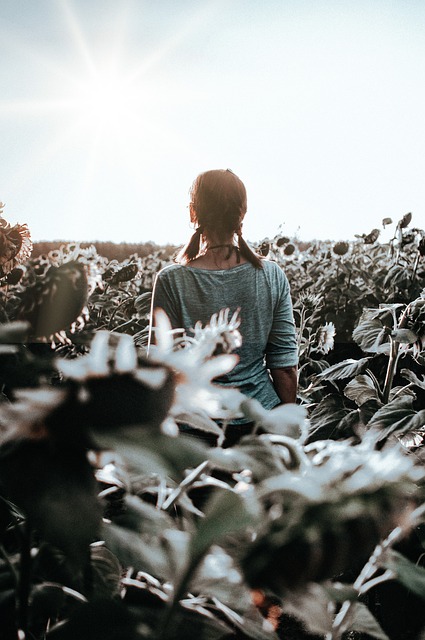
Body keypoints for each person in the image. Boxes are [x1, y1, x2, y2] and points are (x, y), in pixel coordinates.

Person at [148, 169, 298, 445]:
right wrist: (290, 433)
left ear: (193, 213)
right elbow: (284, 368)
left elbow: (162, 367)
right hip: (261, 422)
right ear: (242, 213)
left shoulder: (171, 280)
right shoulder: (272, 275)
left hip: (196, 428)